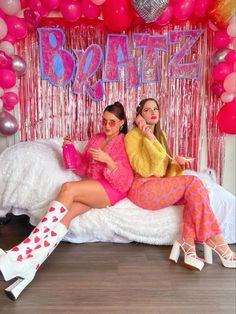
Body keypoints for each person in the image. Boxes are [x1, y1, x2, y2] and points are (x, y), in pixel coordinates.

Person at [0, 101, 134, 300]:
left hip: (112, 189)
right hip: (94, 186)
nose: (107, 126)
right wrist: (69, 149)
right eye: (104, 121)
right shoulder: (96, 139)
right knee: (68, 213)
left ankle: (21, 251)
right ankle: (30, 267)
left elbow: (126, 181)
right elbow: (82, 168)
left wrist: (109, 161)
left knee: (68, 188)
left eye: (112, 122)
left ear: (122, 123)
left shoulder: (124, 142)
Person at [124, 97, 236, 271]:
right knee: (193, 182)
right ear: (139, 115)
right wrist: (148, 137)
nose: (153, 112)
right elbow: (145, 170)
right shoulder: (132, 137)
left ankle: (188, 244)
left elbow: (165, 173)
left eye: (155, 109)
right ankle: (216, 240)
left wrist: (177, 165)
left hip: (158, 185)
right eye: (147, 110)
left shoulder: (162, 135)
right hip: (142, 188)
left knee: (195, 194)